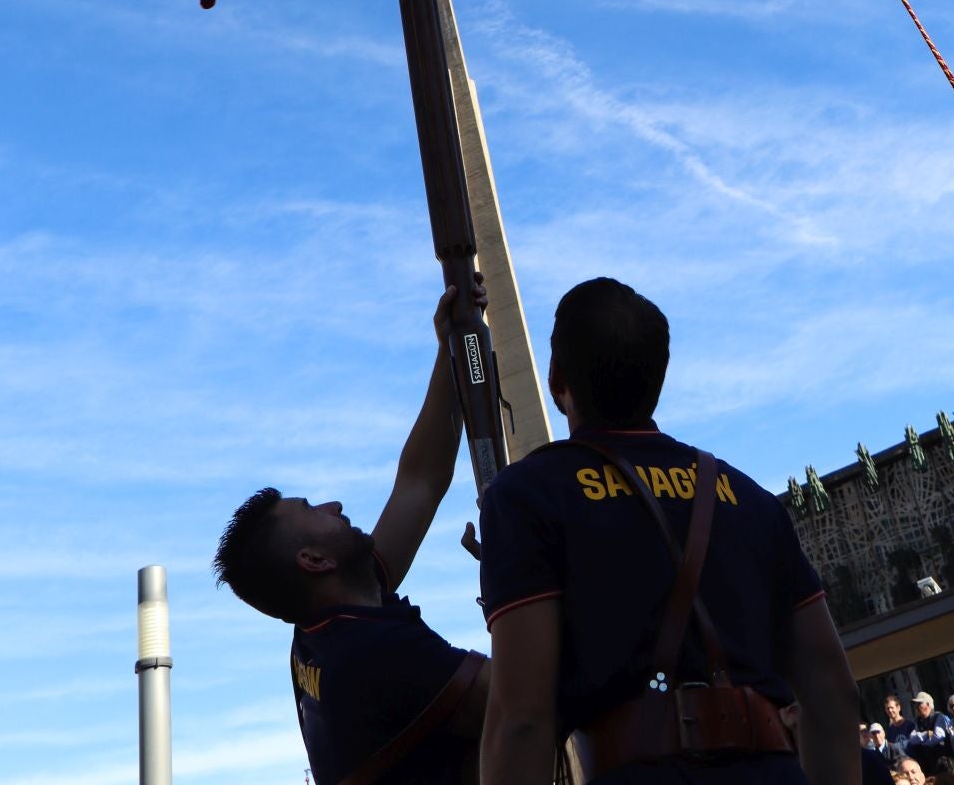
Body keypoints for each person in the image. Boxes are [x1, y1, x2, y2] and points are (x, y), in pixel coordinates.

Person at [476, 276, 861, 784]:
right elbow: (833, 690)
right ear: (659, 377)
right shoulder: (751, 499)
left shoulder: (528, 495)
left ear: (555, 379)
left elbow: (521, 720)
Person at [213, 280, 491, 785]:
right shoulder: (373, 654)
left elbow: (420, 481)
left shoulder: (323, 632)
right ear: (314, 560)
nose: (334, 505)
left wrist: (451, 347)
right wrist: (519, 569)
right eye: (311, 509)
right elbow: (527, 701)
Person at [906, 692, 954, 764]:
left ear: (928, 704)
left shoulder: (938, 717)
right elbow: (912, 739)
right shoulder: (918, 720)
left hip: (943, 759)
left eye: (919, 704)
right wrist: (927, 733)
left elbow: (938, 736)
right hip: (928, 761)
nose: (916, 707)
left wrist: (922, 743)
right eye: (915, 704)